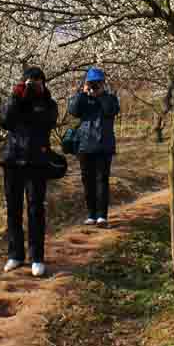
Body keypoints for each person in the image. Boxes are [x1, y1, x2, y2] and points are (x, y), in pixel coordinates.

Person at [0, 66, 58, 277]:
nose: (34, 87)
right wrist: (17, 96)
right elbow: (4, 121)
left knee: (36, 209)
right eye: (30, 83)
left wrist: (38, 97)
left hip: (36, 162)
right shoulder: (15, 101)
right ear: (23, 83)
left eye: (38, 82)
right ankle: (15, 254)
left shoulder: (48, 104)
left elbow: (47, 121)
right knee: (13, 209)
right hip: (12, 160)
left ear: (44, 83)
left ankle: (37, 257)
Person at [68, 67, 120, 227]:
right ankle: (91, 214)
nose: (94, 86)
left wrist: (101, 95)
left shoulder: (110, 98)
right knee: (87, 180)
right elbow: (73, 111)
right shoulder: (83, 98)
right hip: (84, 145)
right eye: (92, 83)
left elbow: (110, 110)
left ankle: (102, 216)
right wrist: (83, 92)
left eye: (98, 83)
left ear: (103, 83)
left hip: (103, 145)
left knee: (102, 180)